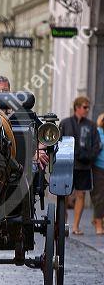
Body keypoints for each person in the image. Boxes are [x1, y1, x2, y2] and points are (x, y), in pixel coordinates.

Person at [0, 75, 49, 170]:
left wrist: (38, 150)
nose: (1, 95)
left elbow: (46, 134)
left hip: (24, 167)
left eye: (5, 91)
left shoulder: (24, 113)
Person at [60, 96, 100, 235]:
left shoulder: (91, 125)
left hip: (83, 166)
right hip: (67, 165)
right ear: (77, 107)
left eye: (88, 107)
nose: (87, 110)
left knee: (81, 195)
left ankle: (75, 226)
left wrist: (89, 157)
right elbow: (58, 142)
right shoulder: (65, 123)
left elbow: (97, 144)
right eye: (85, 107)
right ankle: (62, 221)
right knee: (63, 195)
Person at [90, 113, 104, 235]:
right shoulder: (98, 132)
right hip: (99, 168)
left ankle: (98, 219)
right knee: (99, 197)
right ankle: (99, 224)